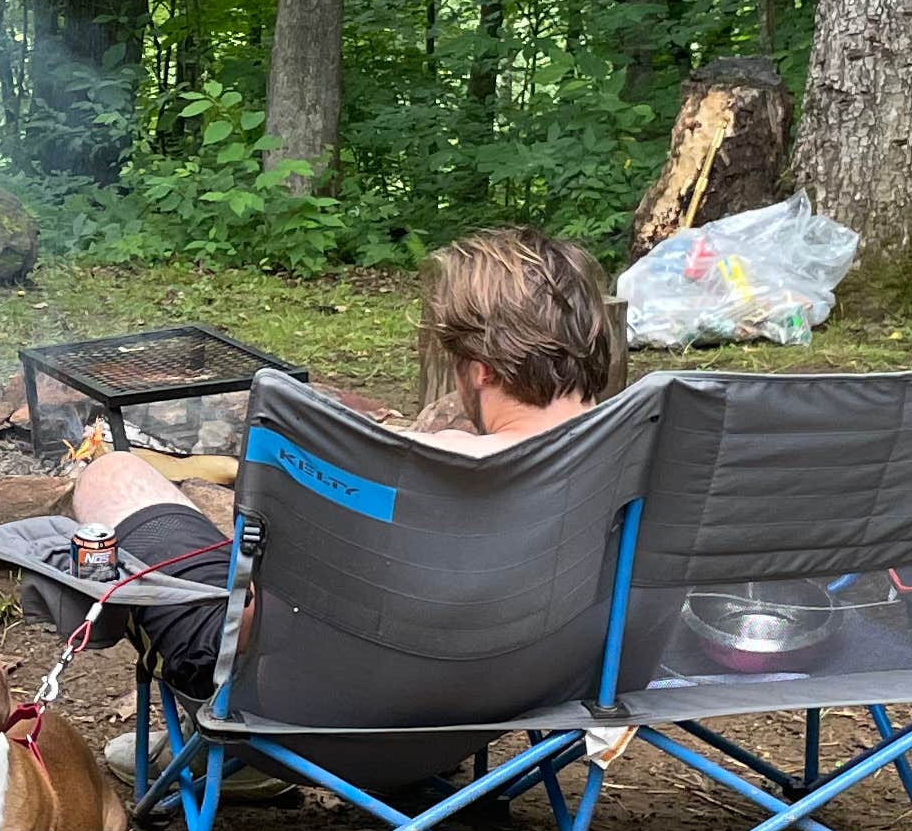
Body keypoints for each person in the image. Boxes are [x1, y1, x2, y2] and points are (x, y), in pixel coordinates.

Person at [50, 226, 629, 752]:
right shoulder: (646, 464)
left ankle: (233, 764)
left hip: (302, 719)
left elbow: (258, 632)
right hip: (516, 701)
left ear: (482, 369)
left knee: (113, 474)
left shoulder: (425, 468)